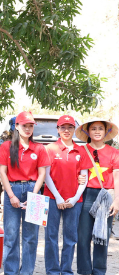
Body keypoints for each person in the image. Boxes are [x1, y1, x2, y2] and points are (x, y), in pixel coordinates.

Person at [1, 111, 51, 275]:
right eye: (24, 126)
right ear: (16, 126)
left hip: (33, 190)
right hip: (12, 189)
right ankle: (11, 271)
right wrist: (11, 196)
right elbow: (3, 173)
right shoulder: (7, 146)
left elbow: (42, 174)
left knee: (31, 237)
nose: (28, 129)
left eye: (30, 126)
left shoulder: (39, 148)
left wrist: (34, 195)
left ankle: (27, 272)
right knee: (11, 236)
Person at [44, 114, 90, 275]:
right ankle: (52, 271)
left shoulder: (81, 150)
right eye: (63, 127)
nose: (66, 130)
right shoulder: (50, 149)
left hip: (74, 201)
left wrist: (75, 198)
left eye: (70, 127)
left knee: (70, 238)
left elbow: (84, 177)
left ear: (74, 130)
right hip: (51, 198)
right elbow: (46, 175)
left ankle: (66, 271)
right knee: (51, 237)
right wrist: (57, 197)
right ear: (57, 129)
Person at [76, 113, 117, 275]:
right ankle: (84, 271)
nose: (97, 131)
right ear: (87, 132)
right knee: (83, 236)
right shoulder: (80, 150)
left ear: (106, 131)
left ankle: (99, 271)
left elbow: (117, 178)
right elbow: (73, 173)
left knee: (102, 237)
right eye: (94, 128)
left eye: (101, 128)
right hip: (86, 195)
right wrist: (77, 178)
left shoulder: (114, 152)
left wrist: (117, 200)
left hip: (106, 196)